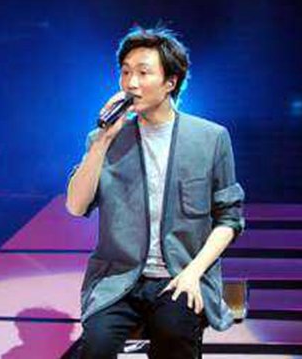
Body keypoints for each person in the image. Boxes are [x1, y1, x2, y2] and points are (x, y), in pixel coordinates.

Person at [66, 25, 245, 359]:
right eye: (125, 72)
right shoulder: (103, 141)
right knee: (95, 349)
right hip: (118, 279)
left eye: (143, 72)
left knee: (175, 337)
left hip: (180, 275)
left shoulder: (211, 138)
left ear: (170, 82)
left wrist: (193, 273)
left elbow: (229, 220)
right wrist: (102, 141)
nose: (131, 83)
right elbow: (76, 206)